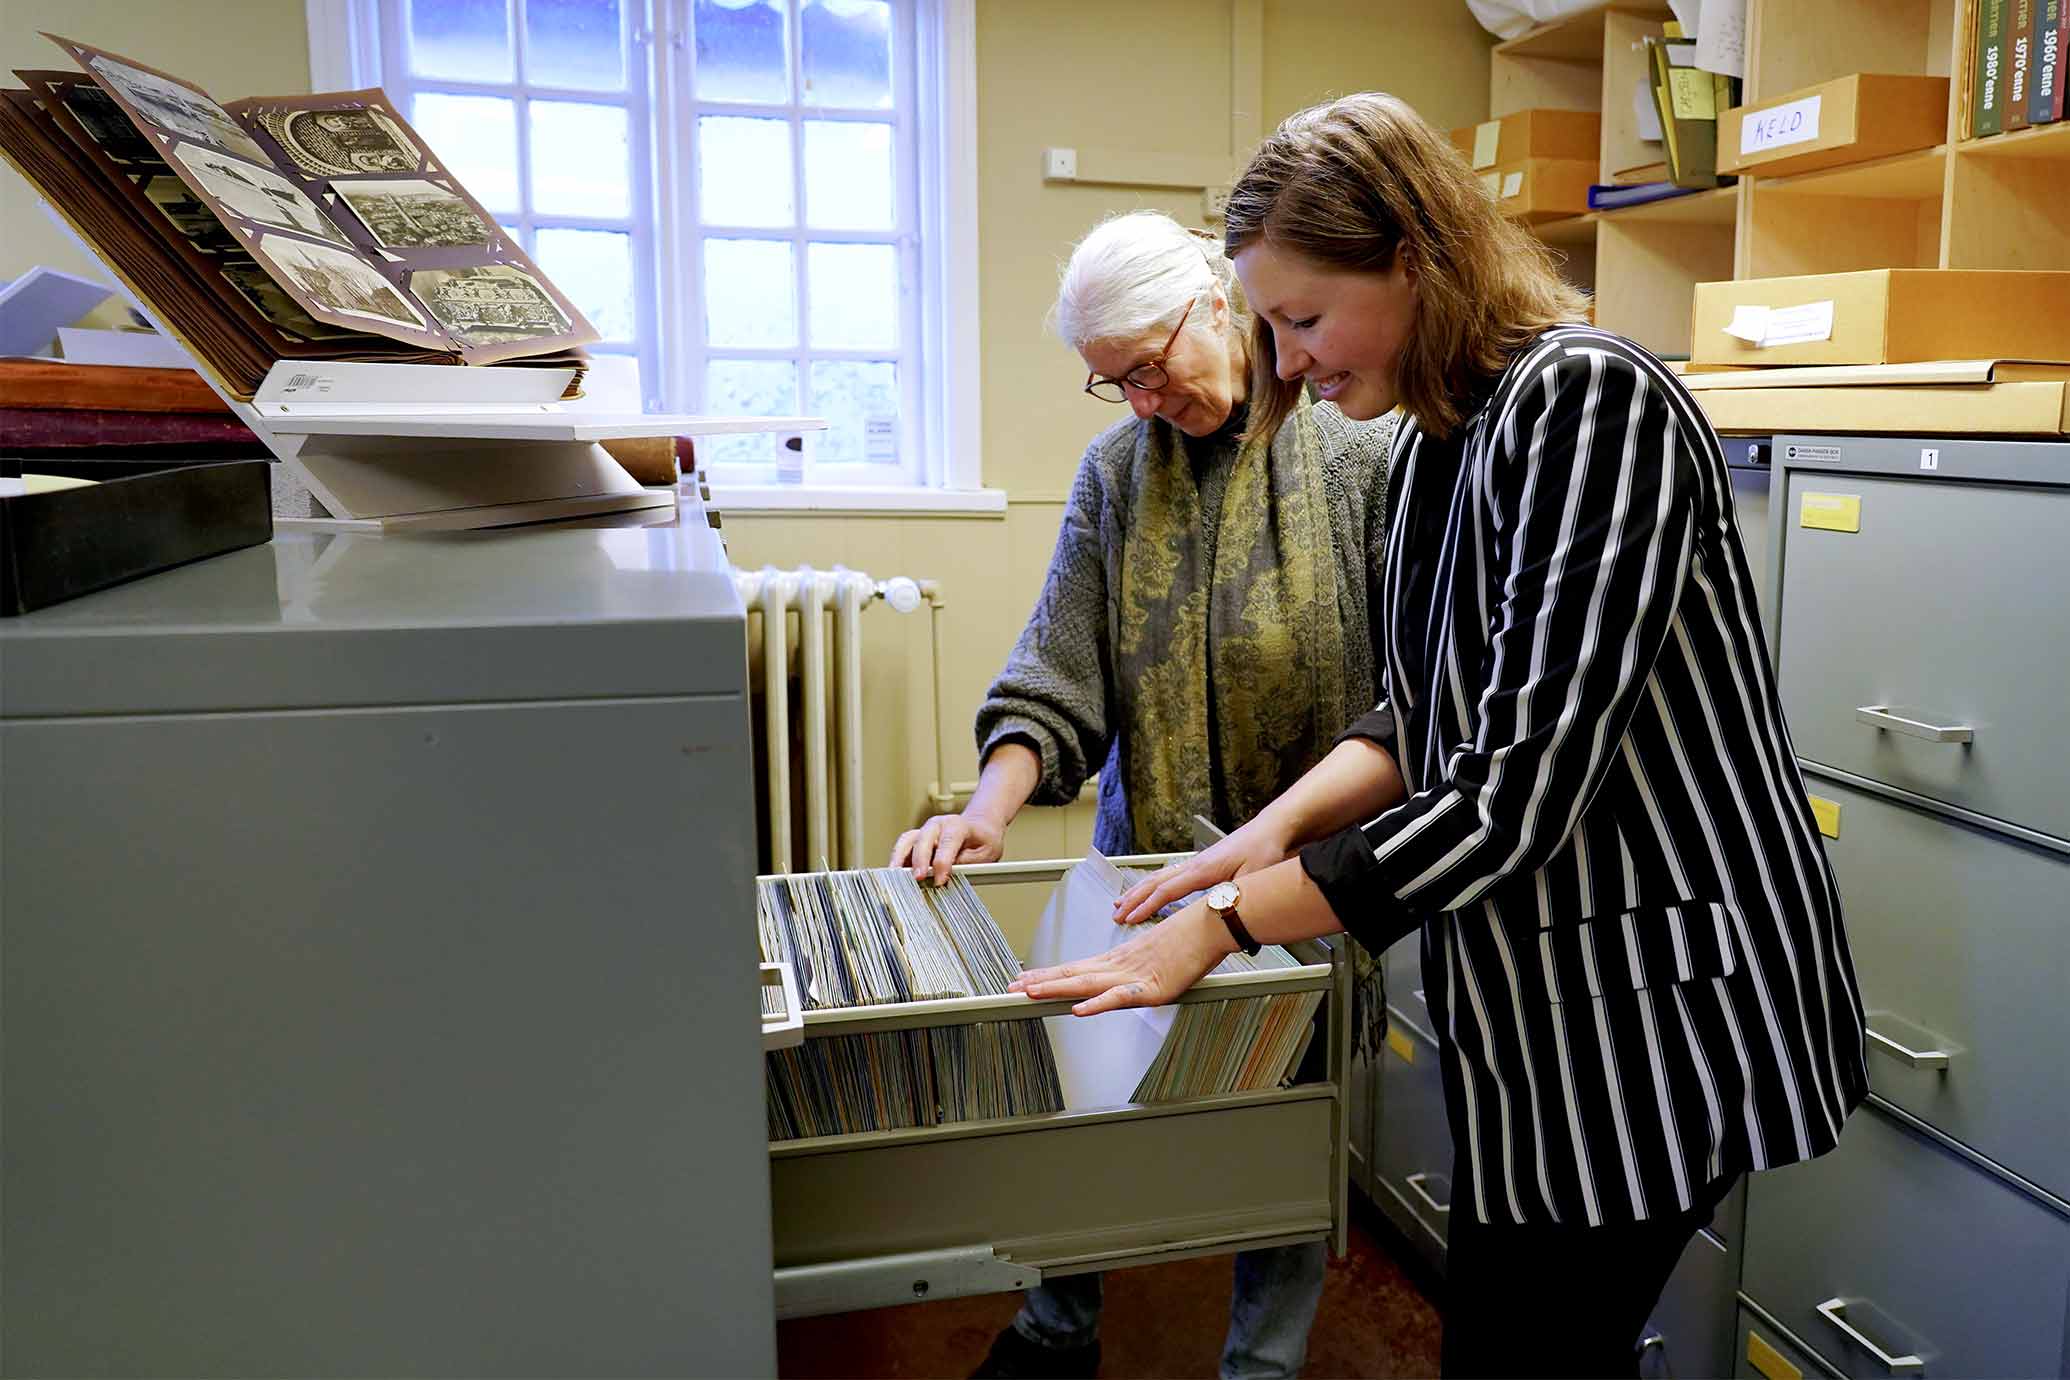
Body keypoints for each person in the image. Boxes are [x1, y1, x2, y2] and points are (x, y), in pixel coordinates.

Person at [1010, 94, 1870, 1380]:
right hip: (1538, 1010)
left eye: (1305, 319)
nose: (1287, 363)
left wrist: (1227, 922)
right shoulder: (1429, 451)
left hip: (1659, 1011)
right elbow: (1422, 713)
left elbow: (1512, 792)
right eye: (1270, 326)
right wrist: (1258, 839)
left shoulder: (1590, 404)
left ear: (1413, 257)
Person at [889, 209, 1396, 1380]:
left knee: (1288, 1131)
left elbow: (1410, 697)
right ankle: (1059, 1327)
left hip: (1303, 887)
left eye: (1151, 369)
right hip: (1147, 870)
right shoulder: (1118, 473)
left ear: (1216, 305)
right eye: (1114, 383)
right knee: (1094, 1107)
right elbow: (1058, 669)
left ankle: (1261, 1366)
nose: (1142, 401)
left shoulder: (1361, 457)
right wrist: (987, 808)